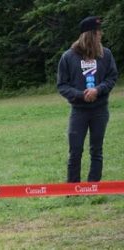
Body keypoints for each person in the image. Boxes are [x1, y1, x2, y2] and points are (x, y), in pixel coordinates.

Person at [57, 16, 118, 183]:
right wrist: (80, 94)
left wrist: (97, 90)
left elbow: (112, 78)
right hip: (79, 112)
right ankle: (72, 188)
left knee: (96, 150)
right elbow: (62, 85)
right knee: (75, 151)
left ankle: (93, 186)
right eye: (98, 32)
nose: (101, 35)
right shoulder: (68, 57)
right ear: (90, 34)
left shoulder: (106, 54)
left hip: (100, 110)